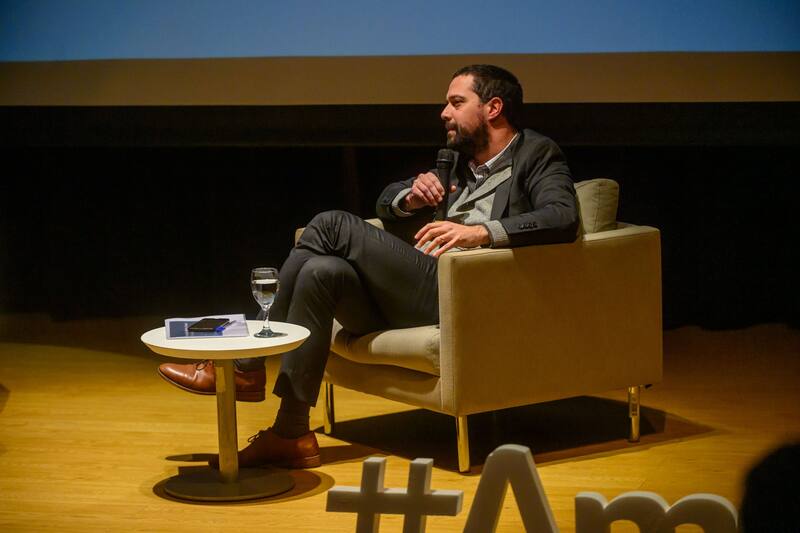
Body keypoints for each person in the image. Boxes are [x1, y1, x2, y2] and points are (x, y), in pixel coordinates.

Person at [158, 64, 580, 469]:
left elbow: (562, 216)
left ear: (493, 108)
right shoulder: (456, 161)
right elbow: (385, 202)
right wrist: (409, 197)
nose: (443, 112)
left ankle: (246, 368)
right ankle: (291, 433)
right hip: (420, 287)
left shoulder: (536, 153)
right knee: (321, 273)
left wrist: (481, 232)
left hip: (464, 291)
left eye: (456, 102)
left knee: (331, 224)